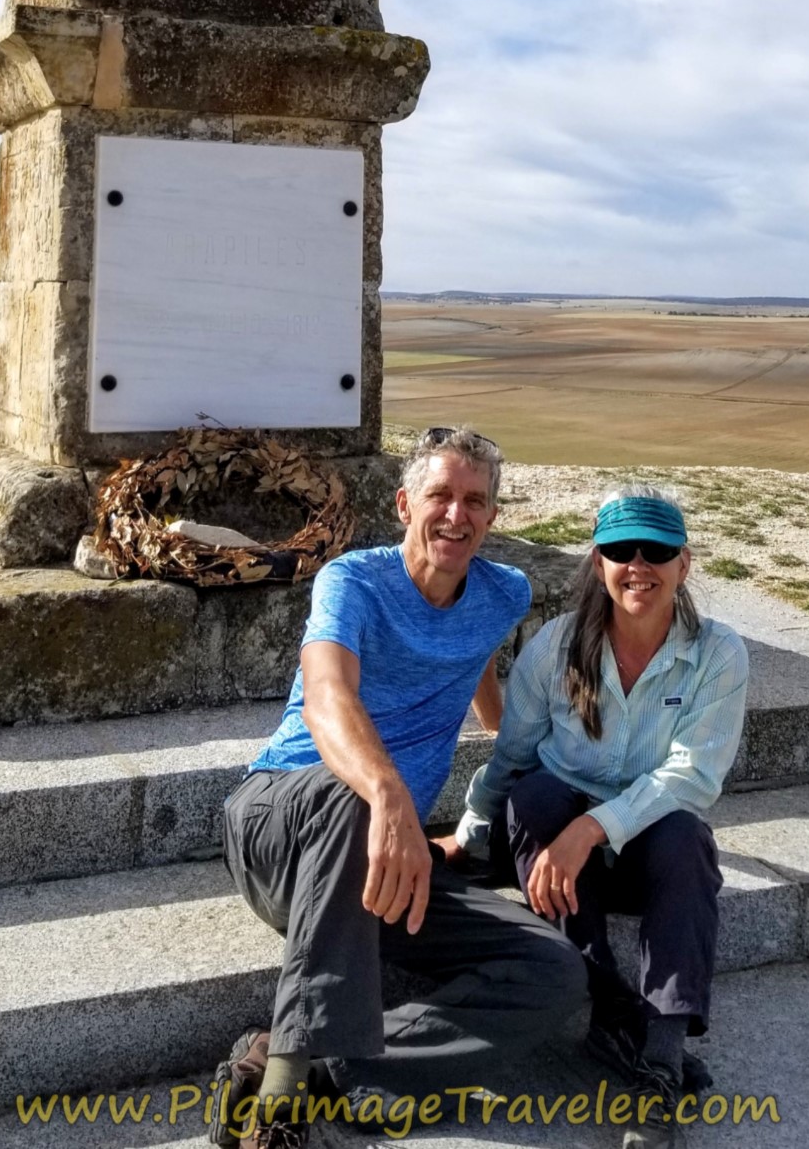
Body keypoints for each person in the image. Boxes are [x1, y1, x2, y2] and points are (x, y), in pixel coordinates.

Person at [215, 426, 588, 1149]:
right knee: (346, 799)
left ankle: (329, 1072)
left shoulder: (502, 592)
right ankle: (282, 1101)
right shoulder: (351, 580)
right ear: (403, 503)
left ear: (493, 516)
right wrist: (389, 794)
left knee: (550, 970)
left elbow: (479, 672)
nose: (457, 515)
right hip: (282, 823)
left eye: (475, 501)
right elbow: (327, 697)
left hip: (386, 859)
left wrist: (531, 772)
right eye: (440, 496)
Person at [454, 490, 749, 1148]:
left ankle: (661, 1062)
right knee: (534, 796)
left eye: (657, 552)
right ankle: (613, 1010)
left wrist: (594, 828)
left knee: (685, 836)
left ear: (684, 564)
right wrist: (473, 831)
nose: (637, 565)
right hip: (553, 847)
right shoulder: (556, 648)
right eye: (619, 550)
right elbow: (512, 756)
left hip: (636, 847)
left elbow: (693, 775)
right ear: (597, 561)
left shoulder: (717, 654)